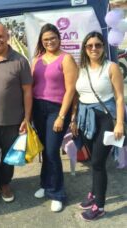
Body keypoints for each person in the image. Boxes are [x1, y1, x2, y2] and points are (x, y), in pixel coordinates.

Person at [0, 22, 33, 210]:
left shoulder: (20, 61)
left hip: (13, 121)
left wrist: (27, 118)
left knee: (9, 157)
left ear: (7, 36)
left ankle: (5, 184)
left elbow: (27, 92)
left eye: (0, 36)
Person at [71, 31, 124, 221]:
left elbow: (119, 97)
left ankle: (99, 206)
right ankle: (93, 194)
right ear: (85, 48)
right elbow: (76, 96)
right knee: (94, 159)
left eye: (98, 45)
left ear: (103, 47)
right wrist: (74, 118)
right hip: (85, 119)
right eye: (90, 45)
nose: (94, 48)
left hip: (105, 119)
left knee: (98, 163)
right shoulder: (81, 68)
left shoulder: (111, 68)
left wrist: (119, 123)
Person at [31, 23, 78, 212]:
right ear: (41, 42)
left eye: (52, 38)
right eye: (45, 39)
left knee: (52, 151)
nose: (49, 42)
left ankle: (57, 193)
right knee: (44, 150)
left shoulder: (66, 59)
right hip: (38, 108)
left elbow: (71, 90)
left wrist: (61, 116)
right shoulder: (37, 59)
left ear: (59, 38)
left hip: (56, 110)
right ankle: (45, 184)